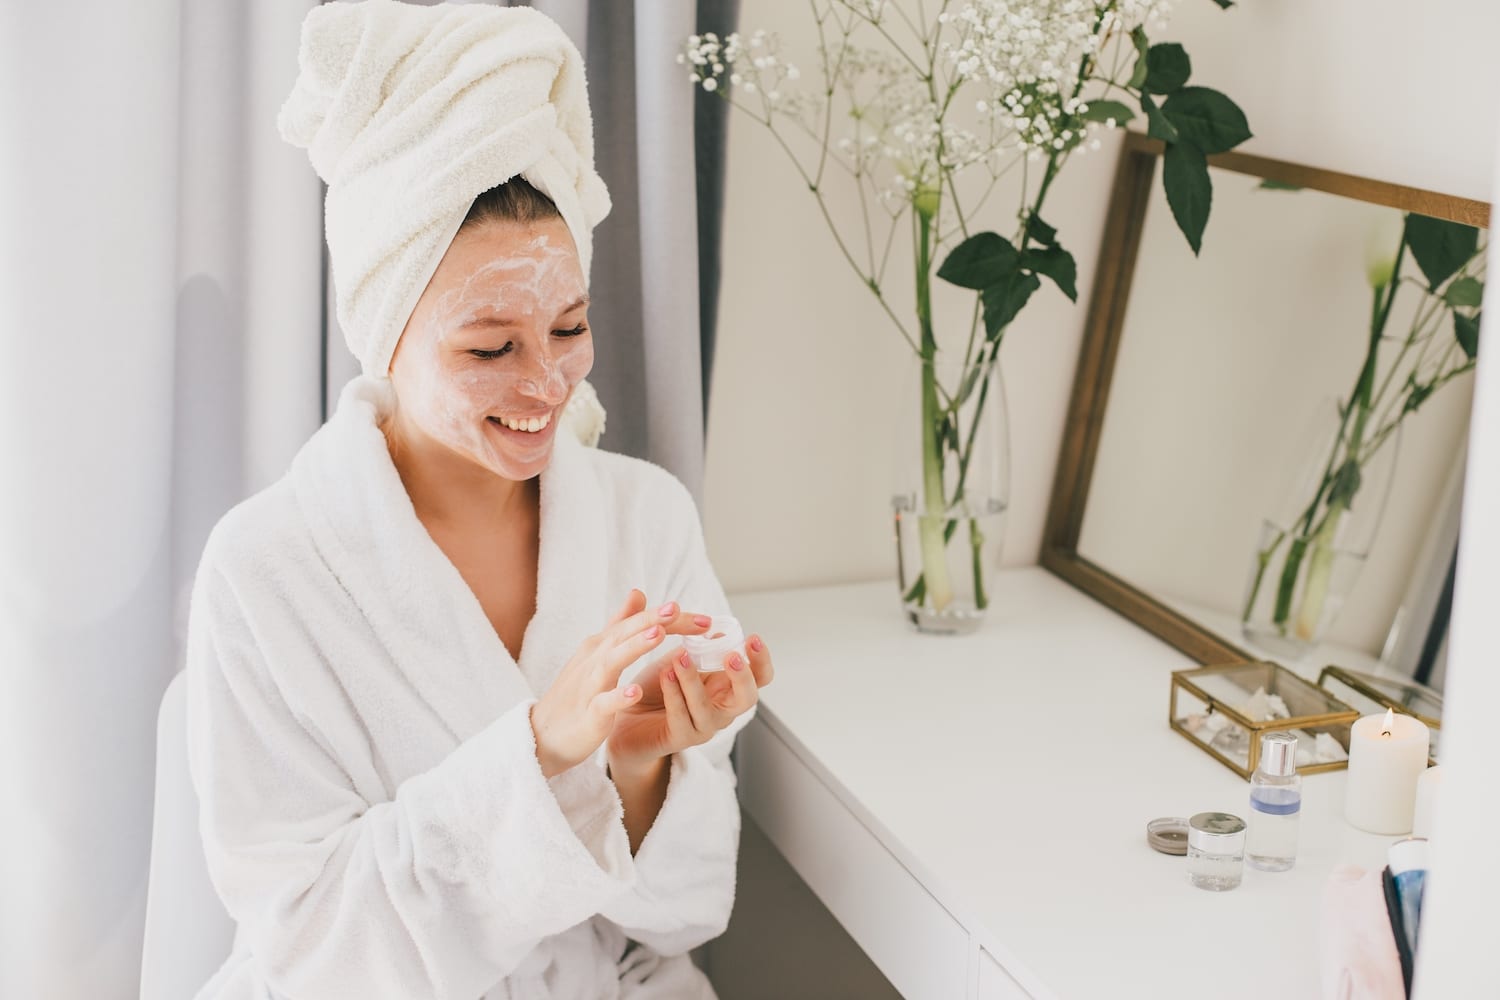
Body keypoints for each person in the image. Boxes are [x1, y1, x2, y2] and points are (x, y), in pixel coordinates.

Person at [182, 3, 770, 998]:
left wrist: (636, 772)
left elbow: (689, 910)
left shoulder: (645, 518)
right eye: (491, 348)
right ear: (388, 334)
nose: (548, 384)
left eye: (571, 325)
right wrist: (541, 753)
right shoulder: (266, 570)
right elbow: (312, 950)